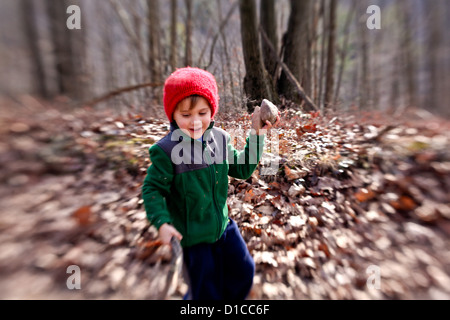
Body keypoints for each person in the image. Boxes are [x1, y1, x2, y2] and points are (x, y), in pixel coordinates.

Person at [142, 67, 280, 300]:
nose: (195, 122)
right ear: (173, 114)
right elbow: (152, 188)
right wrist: (162, 222)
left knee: (243, 271)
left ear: (212, 111)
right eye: (186, 115)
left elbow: (243, 168)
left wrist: (257, 134)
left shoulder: (220, 139)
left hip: (222, 227)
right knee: (206, 292)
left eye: (202, 113)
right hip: (193, 239)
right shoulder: (166, 151)